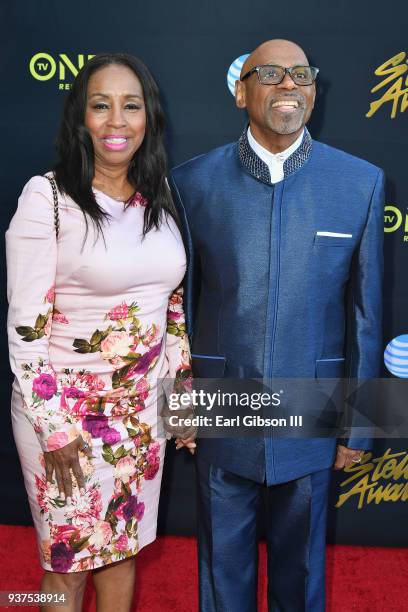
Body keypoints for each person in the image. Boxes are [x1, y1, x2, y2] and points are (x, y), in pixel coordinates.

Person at [170, 39, 384, 611]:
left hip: (313, 407)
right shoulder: (189, 183)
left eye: (301, 74)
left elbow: (366, 315)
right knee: (223, 571)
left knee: (303, 572)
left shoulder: (359, 183)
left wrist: (360, 426)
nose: (289, 85)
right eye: (270, 74)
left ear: (314, 91)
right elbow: (178, 309)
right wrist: (182, 408)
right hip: (220, 407)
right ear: (242, 92)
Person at [6, 53, 193, 612]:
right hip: (67, 423)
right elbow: (25, 330)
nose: (117, 121)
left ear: (148, 118)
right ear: (80, 117)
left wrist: (180, 400)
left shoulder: (158, 198)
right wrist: (56, 431)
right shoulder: (48, 199)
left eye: (131, 106)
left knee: (122, 551)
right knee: (67, 569)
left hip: (140, 420)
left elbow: (172, 306)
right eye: (100, 105)